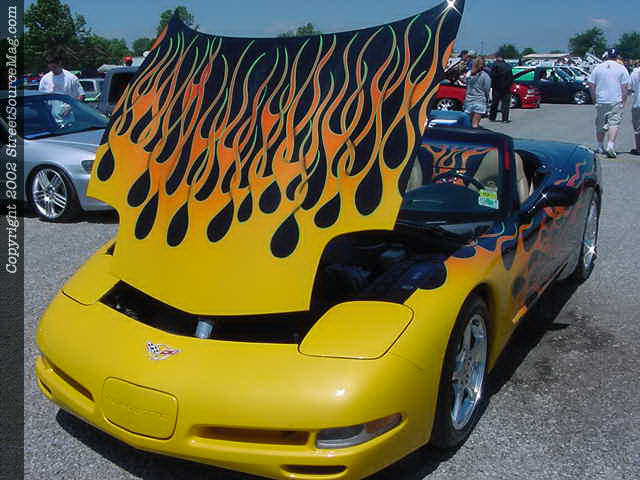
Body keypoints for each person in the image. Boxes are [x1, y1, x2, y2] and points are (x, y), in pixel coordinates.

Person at [588, 48, 630, 158]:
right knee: (614, 123)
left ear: (606, 56)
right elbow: (625, 87)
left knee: (600, 123)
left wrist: (594, 99)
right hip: (615, 100)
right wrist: (624, 100)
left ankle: (600, 146)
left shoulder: (598, 67)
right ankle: (610, 144)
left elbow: (591, 84)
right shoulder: (621, 68)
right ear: (617, 56)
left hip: (601, 100)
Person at [463, 57, 491, 128]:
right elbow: (487, 89)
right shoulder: (485, 76)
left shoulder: (469, 74)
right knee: (475, 124)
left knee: (468, 124)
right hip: (479, 100)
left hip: (469, 100)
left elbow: (464, 82)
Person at [489, 54, 514, 122]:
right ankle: (505, 118)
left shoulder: (494, 65)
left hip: (496, 87)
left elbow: (492, 75)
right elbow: (511, 78)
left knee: (494, 103)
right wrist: (508, 85)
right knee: (505, 104)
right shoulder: (508, 66)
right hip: (506, 88)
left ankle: (492, 117)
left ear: (498, 58)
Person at [630, 64, 640, 156]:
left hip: (638, 103)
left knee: (637, 128)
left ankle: (638, 149)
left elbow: (631, 88)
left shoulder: (635, 73)